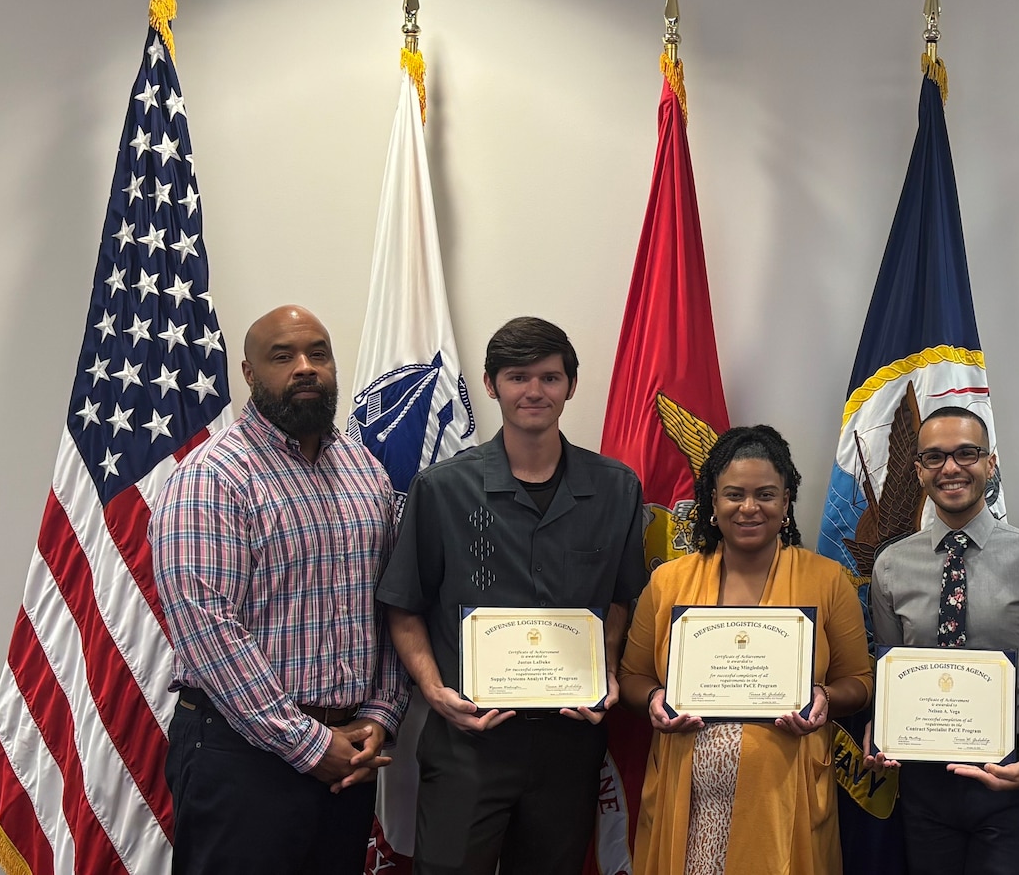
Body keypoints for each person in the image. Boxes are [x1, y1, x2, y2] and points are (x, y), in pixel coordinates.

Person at [375, 317, 648, 874]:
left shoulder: (617, 488)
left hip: (569, 742)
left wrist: (607, 667)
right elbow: (404, 605)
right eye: (517, 377)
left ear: (571, 385)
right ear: (490, 384)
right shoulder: (442, 489)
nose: (534, 391)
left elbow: (620, 599)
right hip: (468, 741)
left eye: (550, 377)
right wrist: (434, 691)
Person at [151, 304, 406, 875]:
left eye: (318, 353)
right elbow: (207, 629)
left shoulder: (367, 471)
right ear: (249, 372)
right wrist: (307, 744)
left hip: (348, 755)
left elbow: (390, 603)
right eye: (283, 356)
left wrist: (380, 713)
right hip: (240, 754)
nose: (305, 367)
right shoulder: (212, 476)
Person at [618, 425, 873, 875]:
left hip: (784, 807)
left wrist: (825, 698)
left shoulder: (827, 580)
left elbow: (859, 682)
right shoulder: (668, 581)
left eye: (765, 494)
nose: (749, 507)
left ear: (786, 502)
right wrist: (654, 699)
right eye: (734, 494)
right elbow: (633, 677)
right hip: (688, 808)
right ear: (712, 502)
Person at [863, 406, 1019, 874]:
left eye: (966, 453)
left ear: (990, 463)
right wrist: (881, 726)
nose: (951, 468)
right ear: (918, 469)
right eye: (935, 457)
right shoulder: (891, 566)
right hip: (923, 784)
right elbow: (889, 670)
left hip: (1012, 777)